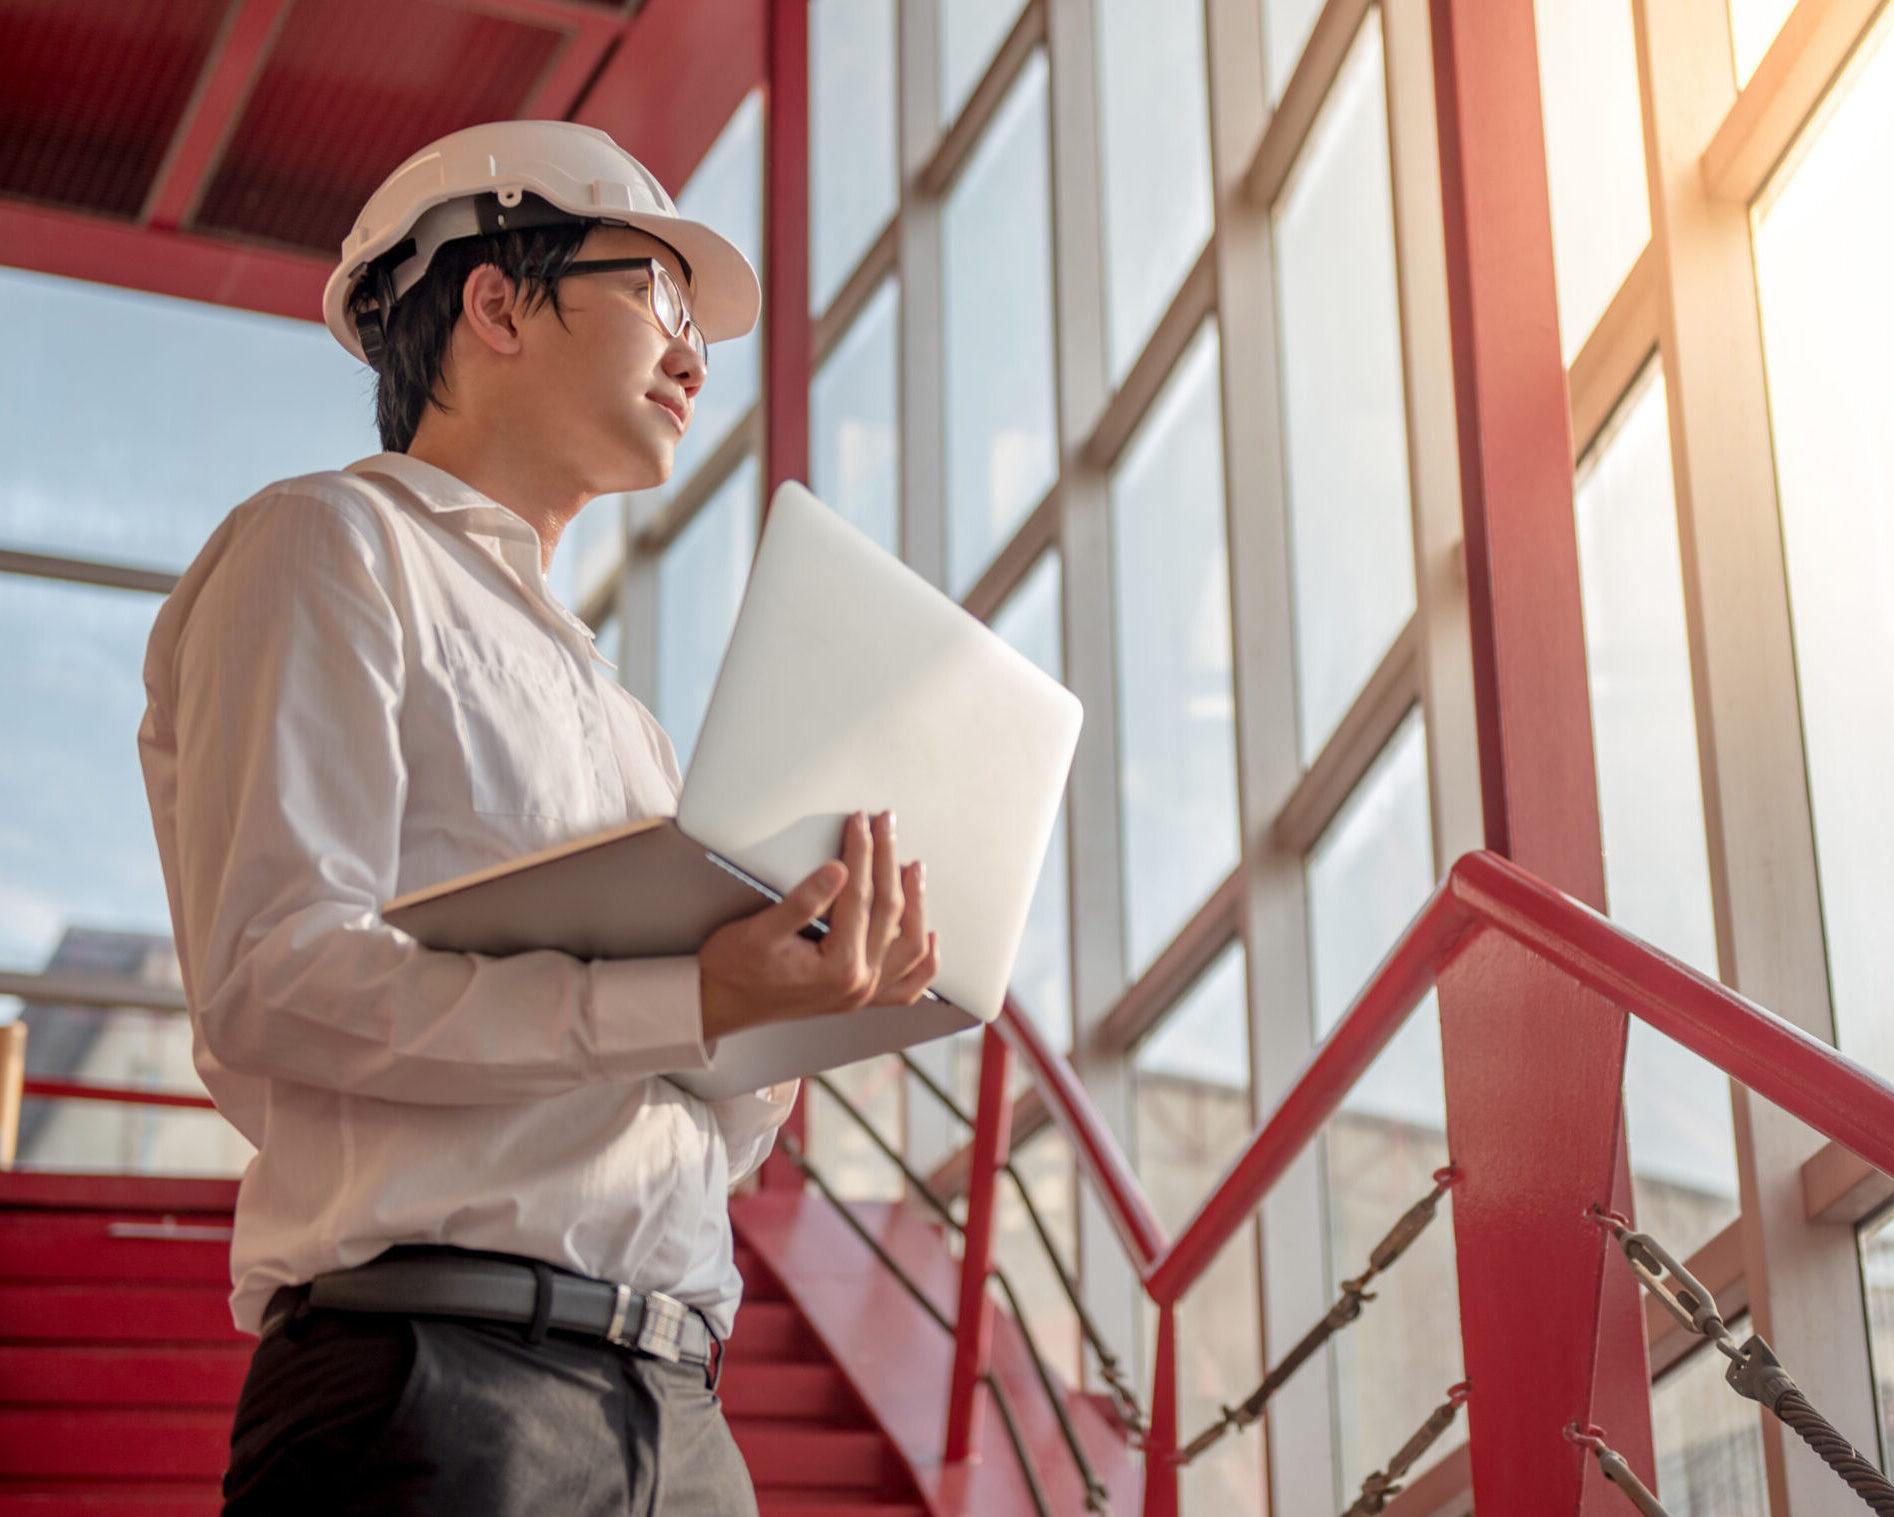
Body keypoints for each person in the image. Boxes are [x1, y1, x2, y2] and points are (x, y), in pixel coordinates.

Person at [135, 119, 937, 1516]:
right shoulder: (327, 546)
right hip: (436, 1389)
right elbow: (272, 982)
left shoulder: (621, 718)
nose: (693, 357)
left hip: (680, 1405)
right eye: (655, 295)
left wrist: (786, 1010)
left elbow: (690, 1120)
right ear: (495, 297)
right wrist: (682, 996)